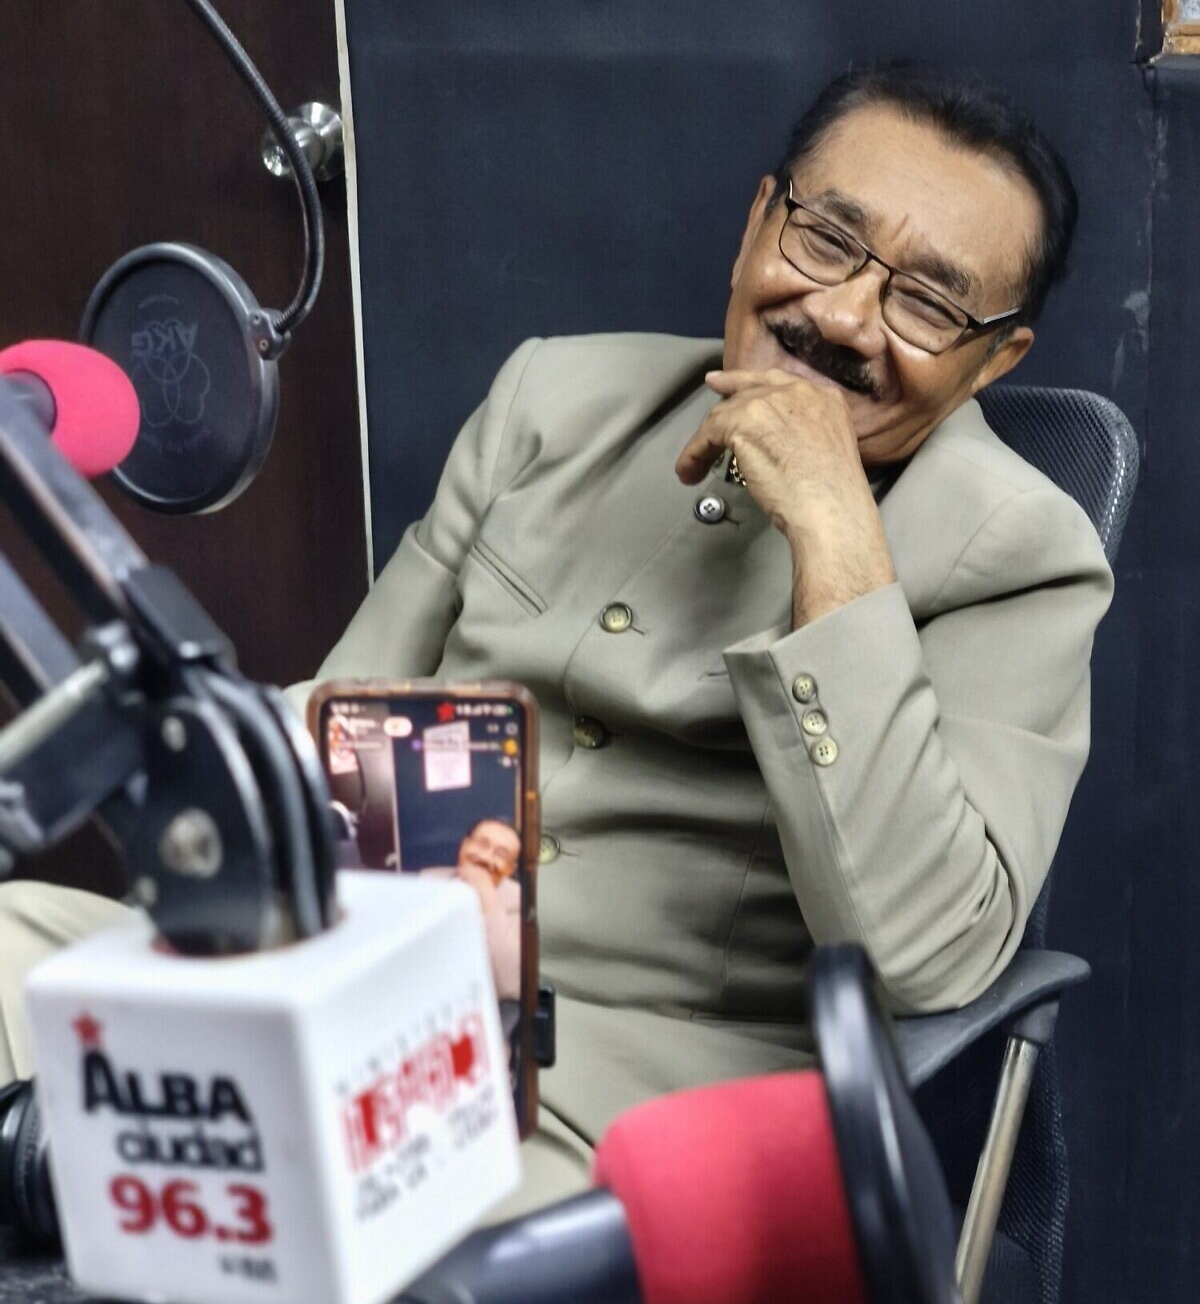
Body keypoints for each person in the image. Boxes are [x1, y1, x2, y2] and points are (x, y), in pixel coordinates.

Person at [0, 61, 1112, 1216]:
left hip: (643, 1091)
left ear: (996, 359)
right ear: (756, 227)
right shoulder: (554, 398)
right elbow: (339, 721)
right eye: (825, 239)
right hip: (367, 973)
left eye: (928, 303)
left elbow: (930, 953)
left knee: (317, 1196)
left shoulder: (1023, 551)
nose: (841, 316)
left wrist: (837, 541)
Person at [419, 817, 523, 1001]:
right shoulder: (427, 880)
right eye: (482, 844)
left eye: (500, 854)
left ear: (510, 869)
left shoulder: (519, 900)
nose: (485, 857)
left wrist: (487, 896)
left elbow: (510, 985)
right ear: (465, 845)